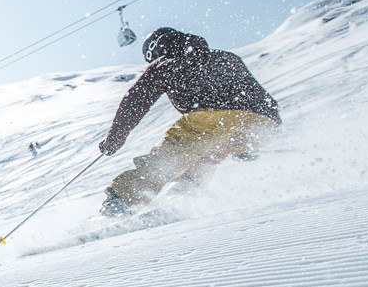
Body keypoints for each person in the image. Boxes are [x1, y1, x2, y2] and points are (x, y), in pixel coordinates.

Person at [98, 27, 281, 216]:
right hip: (263, 122)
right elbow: (256, 96)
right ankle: (183, 190)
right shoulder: (224, 56)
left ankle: (120, 201)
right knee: (208, 153)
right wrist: (248, 143)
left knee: (171, 155)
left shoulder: (166, 63)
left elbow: (136, 100)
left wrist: (115, 138)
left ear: (154, 49)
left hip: (214, 118)